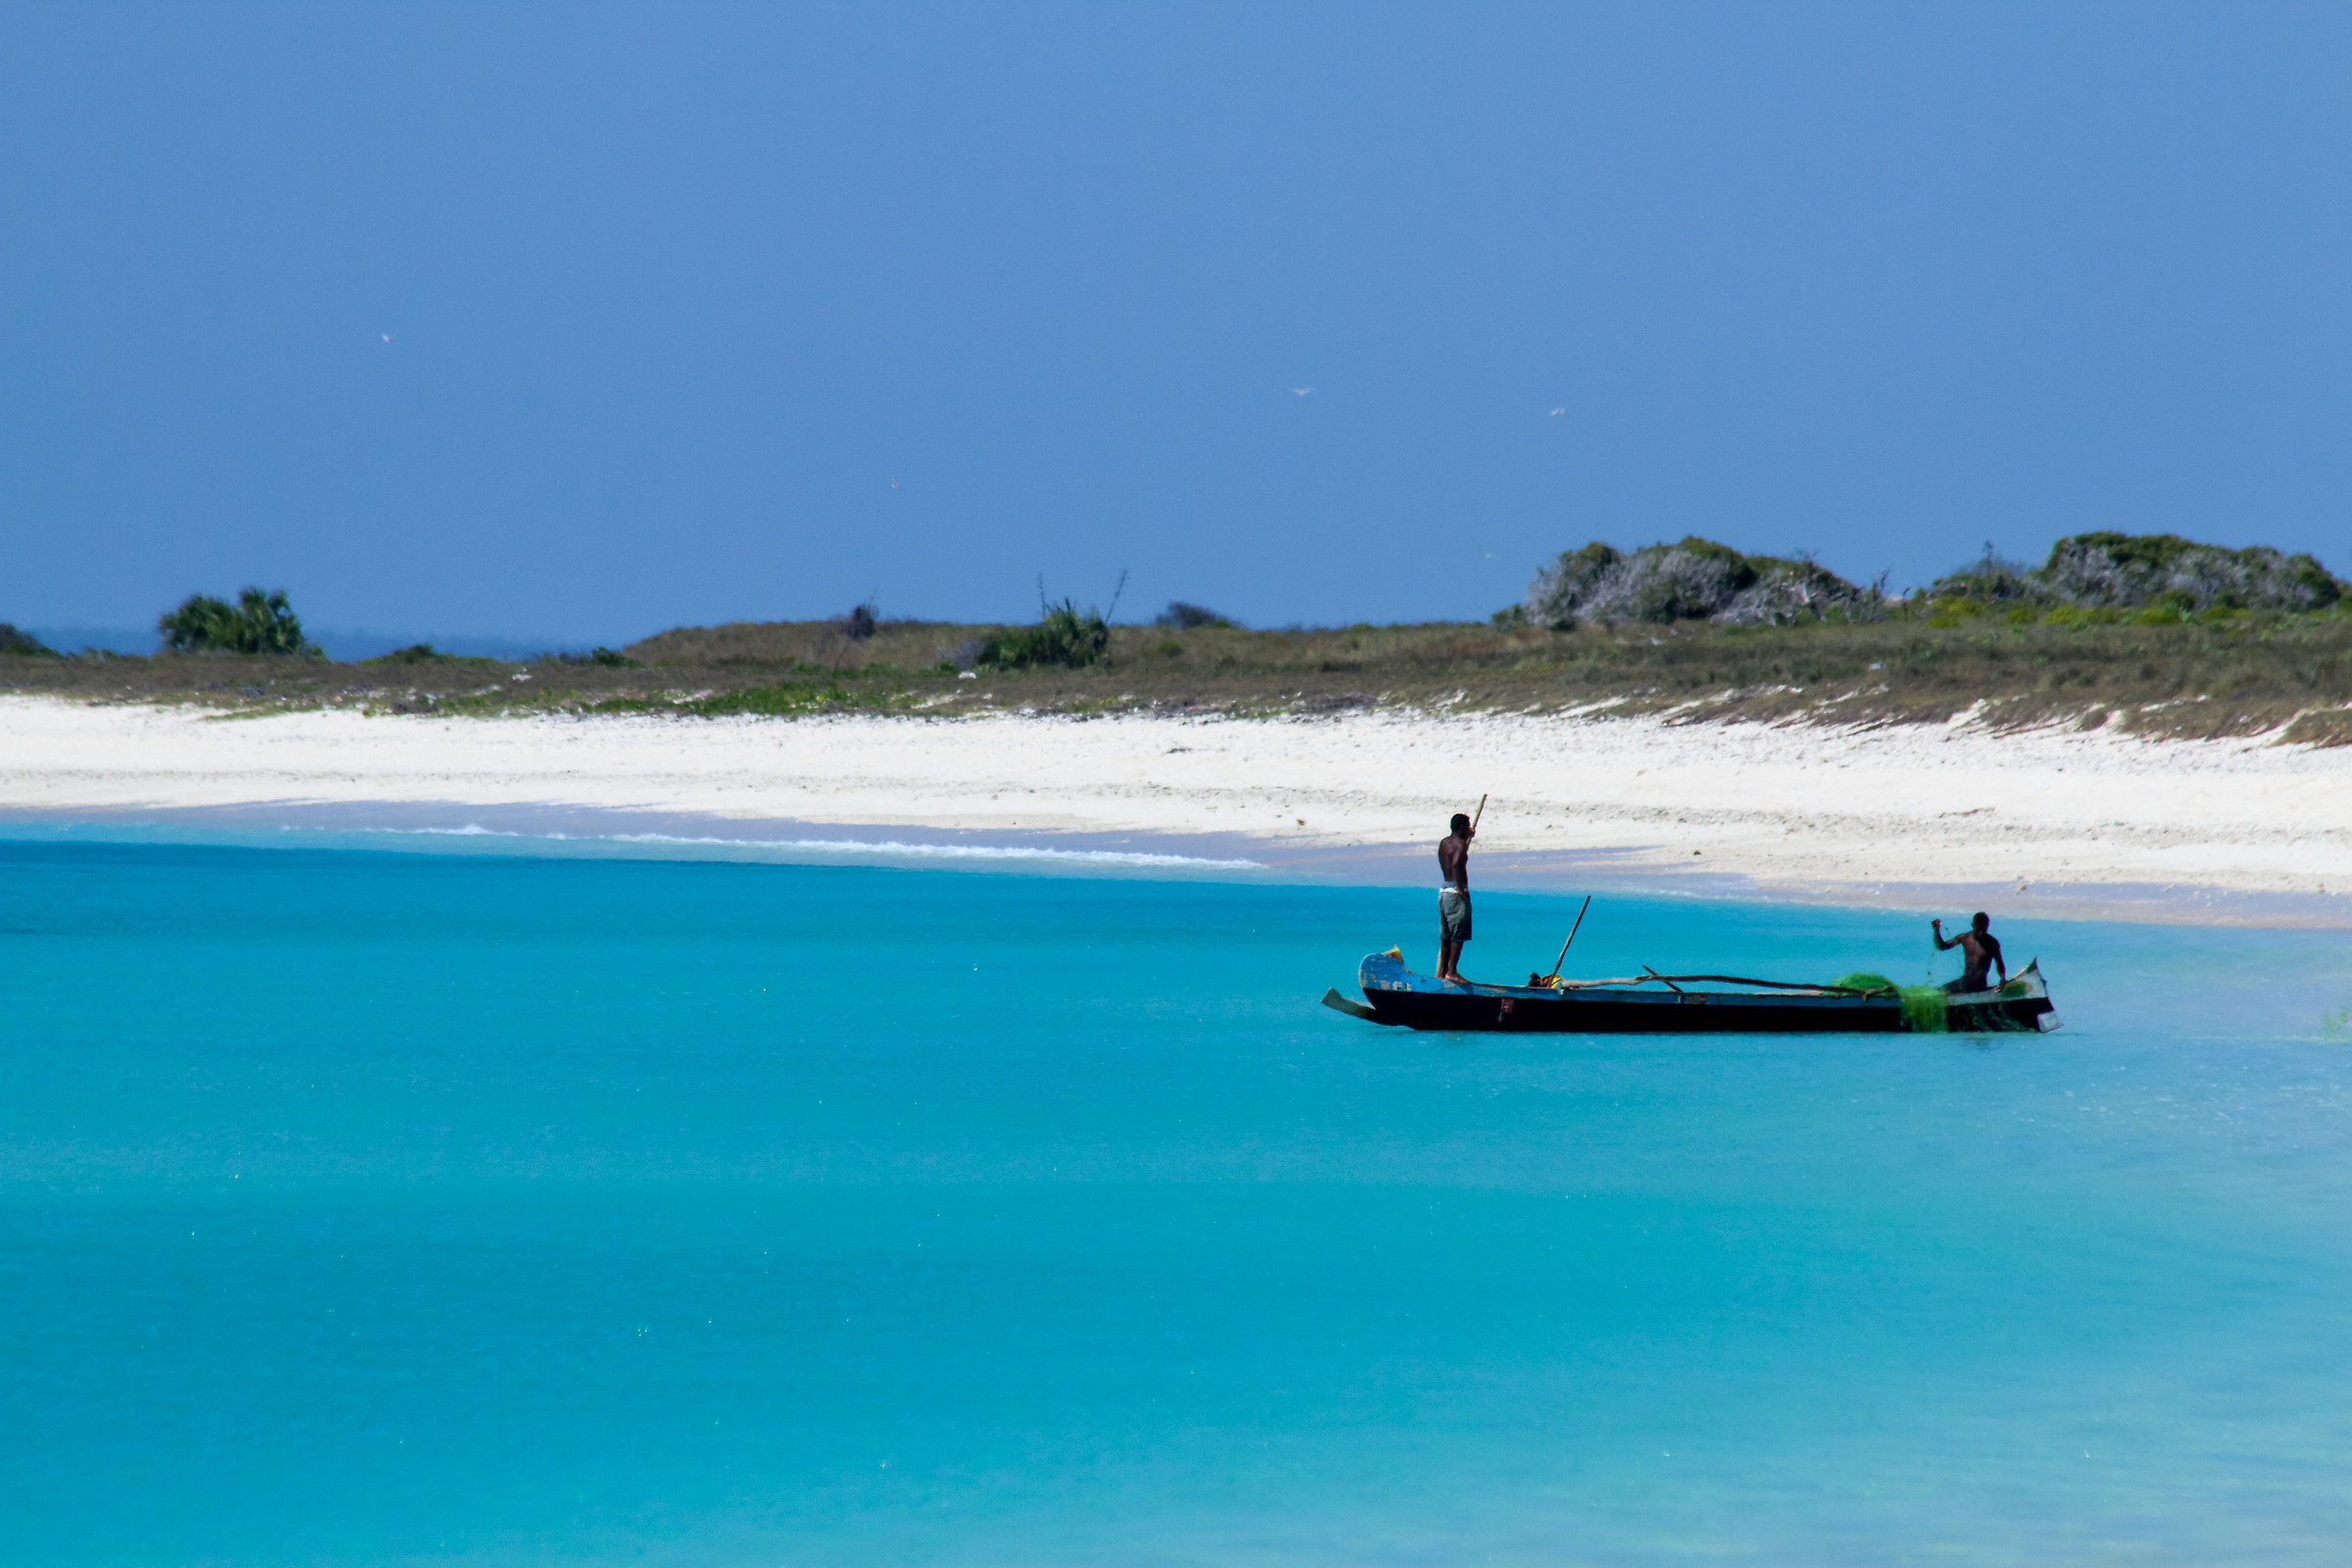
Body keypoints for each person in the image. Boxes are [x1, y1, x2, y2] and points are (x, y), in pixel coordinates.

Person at [1436, 811, 1475, 983]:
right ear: (1461, 827)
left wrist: (1467, 839)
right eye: (1468, 825)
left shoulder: (1444, 843)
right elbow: (1456, 864)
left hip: (1443, 892)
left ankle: (1442, 972)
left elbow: (1449, 862)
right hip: (1455, 894)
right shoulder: (1460, 845)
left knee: (1446, 936)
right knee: (1458, 935)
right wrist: (1462, 890)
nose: (1470, 828)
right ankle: (1452, 971)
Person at [1933, 911, 2007, 994]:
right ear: (1973, 925)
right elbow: (1942, 946)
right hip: (1965, 980)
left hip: (1978, 982)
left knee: (1943, 990)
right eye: (1979, 929)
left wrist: (2002, 978)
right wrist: (1936, 931)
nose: (1981, 933)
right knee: (1938, 991)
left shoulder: (1991, 943)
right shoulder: (1965, 938)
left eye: (1984, 929)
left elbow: (1999, 962)